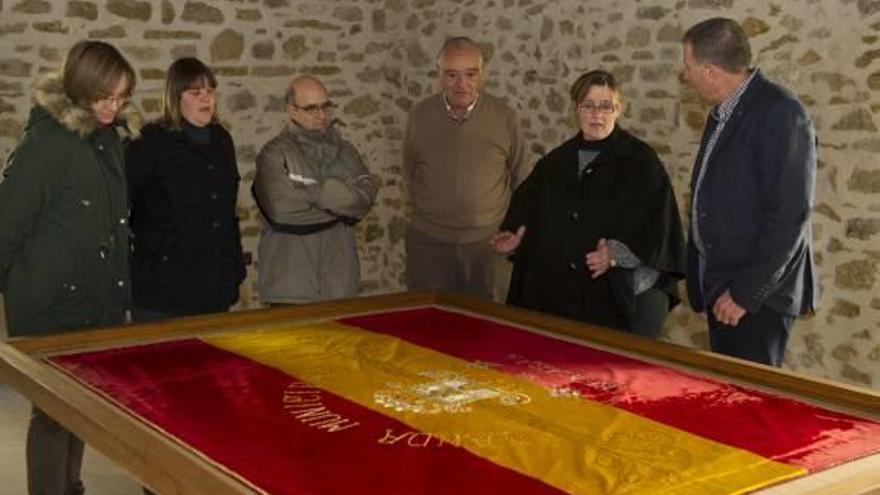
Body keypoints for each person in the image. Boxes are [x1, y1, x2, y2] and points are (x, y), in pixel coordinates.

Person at [0, 40, 140, 495]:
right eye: (104, 97)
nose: (112, 107)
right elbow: (6, 227)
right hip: (51, 306)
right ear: (80, 90)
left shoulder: (105, 141)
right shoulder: (47, 144)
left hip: (94, 302)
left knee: (78, 410)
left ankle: (70, 488)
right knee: (53, 415)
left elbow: (113, 225)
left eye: (121, 97)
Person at [492, 70, 686, 337]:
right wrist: (514, 238)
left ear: (619, 109)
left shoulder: (641, 162)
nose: (597, 114)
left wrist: (616, 255)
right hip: (561, 297)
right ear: (576, 109)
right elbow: (528, 212)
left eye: (606, 106)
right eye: (589, 105)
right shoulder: (555, 163)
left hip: (619, 294)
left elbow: (658, 228)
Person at [681, 18, 818, 366]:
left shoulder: (780, 113)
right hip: (722, 290)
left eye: (689, 66)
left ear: (710, 71)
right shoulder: (724, 112)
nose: (686, 76)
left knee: (750, 408)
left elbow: (789, 216)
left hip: (755, 300)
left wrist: (743, 294)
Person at [403, 36, 527, 301]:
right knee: (428, 325)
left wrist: (513, 231)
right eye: (452, 75)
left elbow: (522, 178)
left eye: (471, 74)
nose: (462, 84)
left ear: (483, 74)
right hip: (430, 245)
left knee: (488, 326)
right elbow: (409, 175)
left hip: (488, 245)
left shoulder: (504, 117)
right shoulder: (420, 116)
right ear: (439, 75)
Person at [125, 58, 245, 322]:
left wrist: (235, 272)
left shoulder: (221, 140)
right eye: (195, 92)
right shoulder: (152, 141)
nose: (206, 99)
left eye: (210, 91)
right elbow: (124, 203)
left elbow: (226, 213)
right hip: (164, 288)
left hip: (213, 286)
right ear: (176, 97)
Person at [253, 76, 376, 304]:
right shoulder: (274, 155)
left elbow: (365, 199)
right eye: (311, 108)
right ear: (292, 110)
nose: (321, 115)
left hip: (340, 287)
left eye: (326, 106)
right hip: (290, 289)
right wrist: (341, 209)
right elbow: (281, 212)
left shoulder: (347, 152)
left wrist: (312, 193)